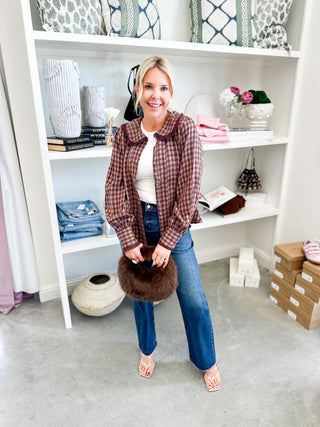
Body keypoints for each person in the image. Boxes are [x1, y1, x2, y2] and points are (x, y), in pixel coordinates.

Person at [105, 56, 221, 392]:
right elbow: (113, 186)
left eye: (164, 87)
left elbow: (189, 188)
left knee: (193, 297)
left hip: (174, 225)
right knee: (141, 294)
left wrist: (169, 241)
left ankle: (206, 359)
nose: (156, 95)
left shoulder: (184, 128)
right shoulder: (125, 134)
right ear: (139, 90)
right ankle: (147, 350)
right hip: (137, 224)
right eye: (149, 86)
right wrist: (126, 237)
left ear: (171, 91)